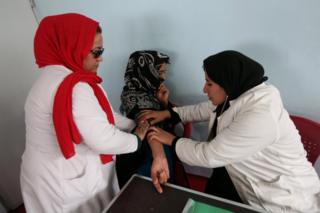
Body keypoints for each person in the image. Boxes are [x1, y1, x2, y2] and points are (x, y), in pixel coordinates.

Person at [140, 50, 320, 212]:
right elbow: (207, 108)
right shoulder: (240, 92)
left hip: (279, 197)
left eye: (209, 84)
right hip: (237, 170)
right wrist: (169, 113)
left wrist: (170, 140)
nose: (204, 89)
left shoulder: (261, 114)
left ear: (226, 83)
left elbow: (209, 155)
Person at [20, 13, 149, 213]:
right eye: (96, 52)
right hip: (62, 178)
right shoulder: (75, 86)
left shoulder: (55, 78)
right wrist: (138, 139)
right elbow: (102, 139)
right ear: (72, 48)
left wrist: (133, 124)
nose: (101, 58)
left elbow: (104, 116)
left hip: (43, 172)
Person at [116, 50, 174, 193]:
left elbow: (171, 116)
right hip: (141, 154)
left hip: (157, 146)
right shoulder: (132, 95)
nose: (164, 77)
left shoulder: (152, 92)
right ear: (147, 72)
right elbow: (148, 125)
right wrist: (159, 156)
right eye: (160, 73)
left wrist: (164, 103)